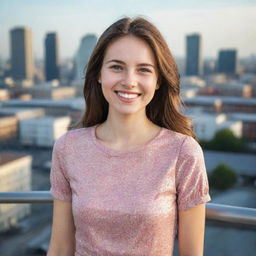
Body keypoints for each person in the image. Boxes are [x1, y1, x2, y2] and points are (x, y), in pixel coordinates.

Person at [47, 17, 211, 256]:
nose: (129, 81)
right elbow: (60, 248)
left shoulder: (183, 152)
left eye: (143, 69)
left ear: (158, 81)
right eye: (116, 67)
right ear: (99, 74)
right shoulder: (68, 148)